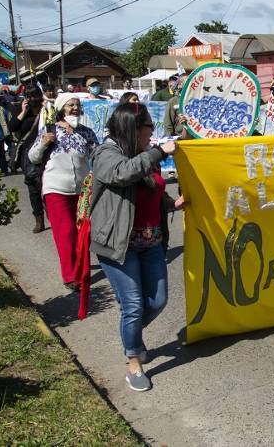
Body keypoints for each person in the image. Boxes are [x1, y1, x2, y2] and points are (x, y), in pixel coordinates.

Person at [90, 103, 176, 392]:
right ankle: (133, 362)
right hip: (119, 245)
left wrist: (172, 203)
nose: (152, 131)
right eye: (148, 126)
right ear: (133, 128)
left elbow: (151, 189)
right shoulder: (106, 153)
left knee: (158, 301)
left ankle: (132, 333)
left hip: (151, 242)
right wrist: (159, 152)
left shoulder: (143, 154)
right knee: (134, 305)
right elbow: (122, 174)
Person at [28, 94, 99, 289]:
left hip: (83, 191)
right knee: (66, 232)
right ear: (61, 108)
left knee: (83, 232)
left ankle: (82, 273)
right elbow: (33, 157)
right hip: (55, 189)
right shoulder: (49, 130)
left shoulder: (87, 132)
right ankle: (71, 276)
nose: (75, 108)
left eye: (77, 105)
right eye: (71, 105)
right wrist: (43, 143)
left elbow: (98, 156)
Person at [8, 87, 47, 233]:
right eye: (28, 96)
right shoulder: (21, 109)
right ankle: (39, 219)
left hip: (46, 151)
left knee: (47, 185)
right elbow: (12, 126)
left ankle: (53, 214)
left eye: (34, 96)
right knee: (33, 188)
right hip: (28, 154)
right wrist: (23, 112)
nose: (31, 99)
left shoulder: (47, 110)